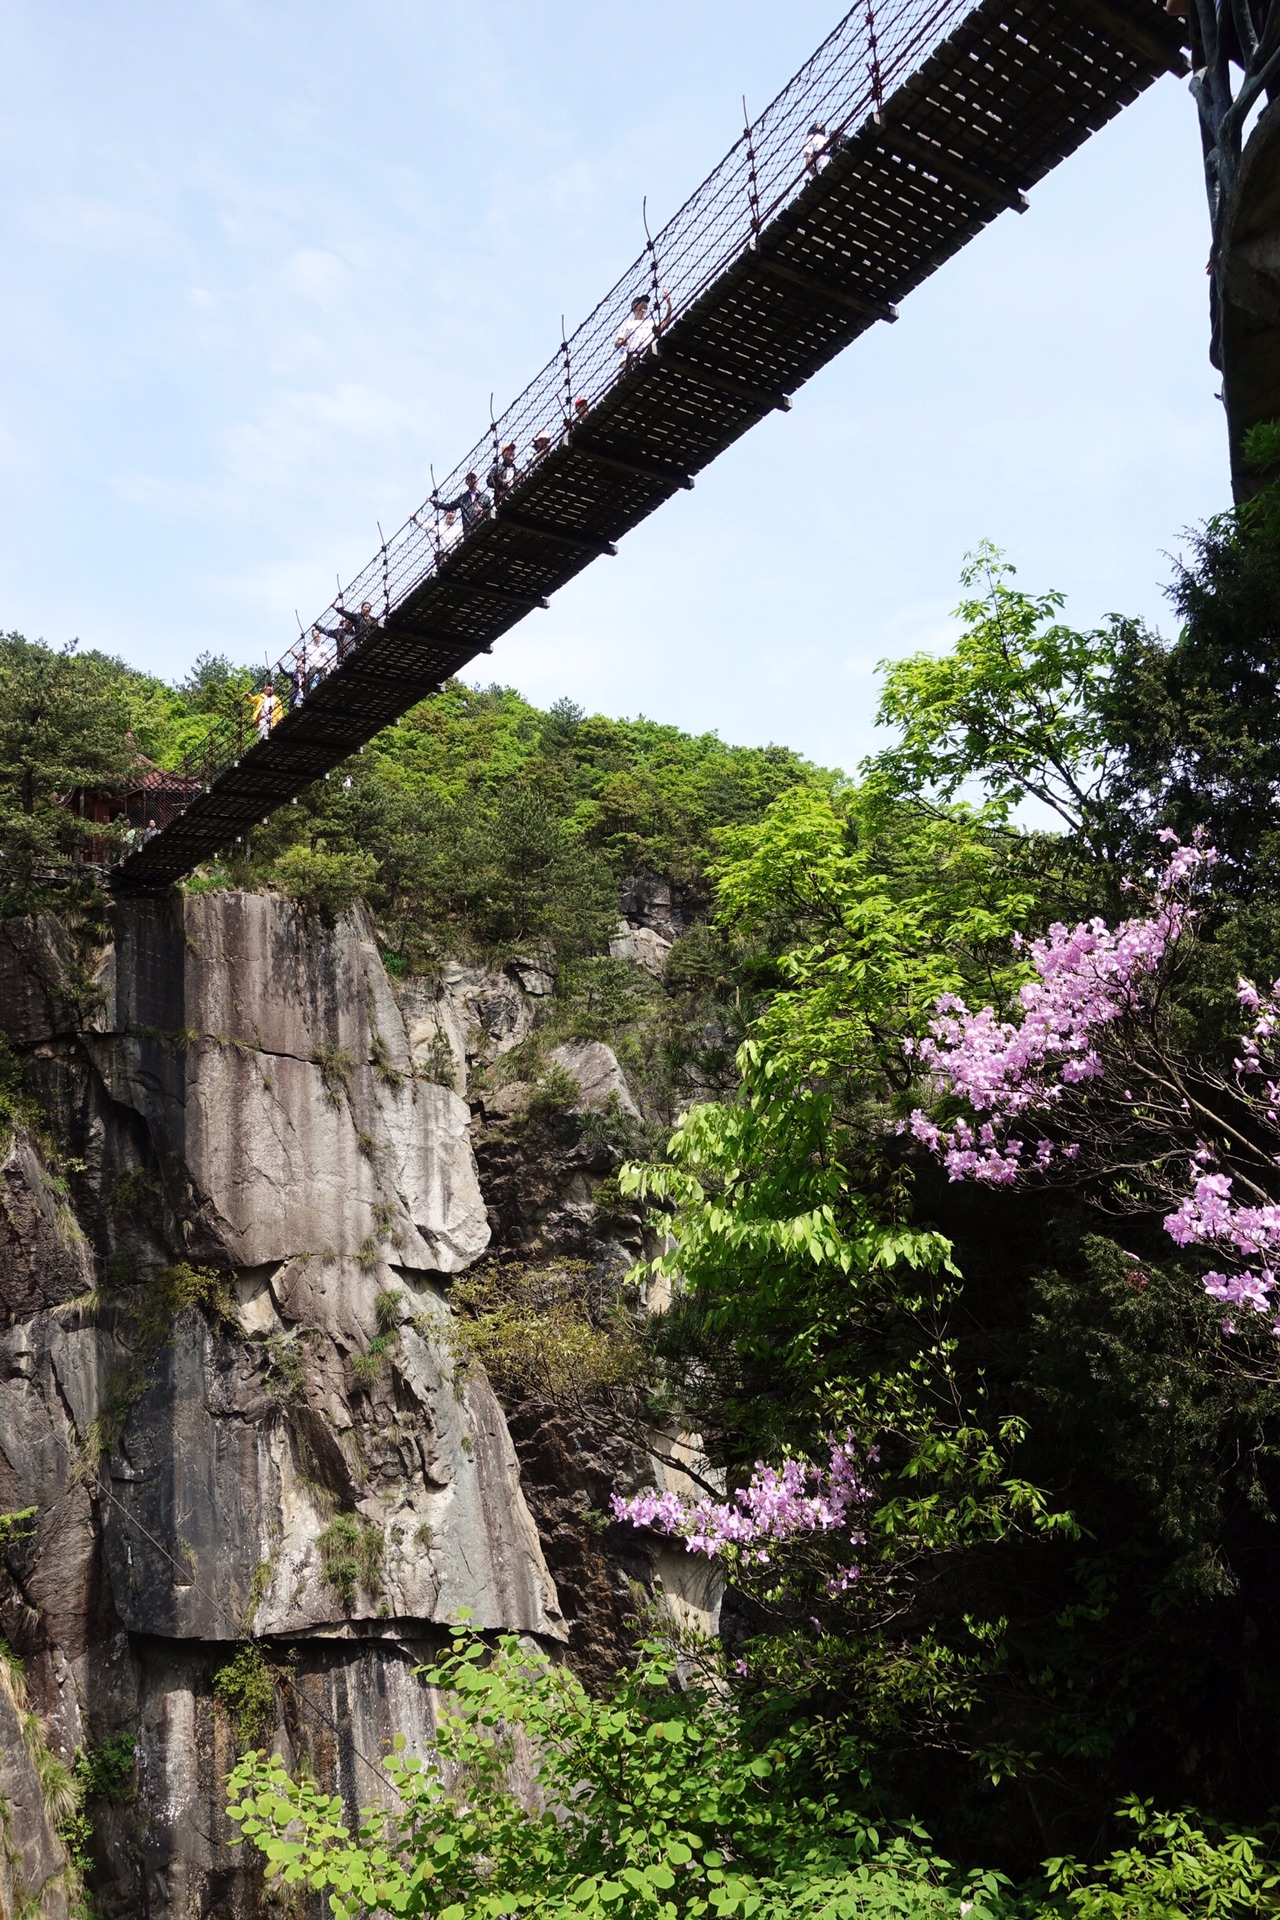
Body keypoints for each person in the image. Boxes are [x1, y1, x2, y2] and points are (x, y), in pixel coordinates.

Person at [615, 289, 671, 369]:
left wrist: (669, 304)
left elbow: (666, 323)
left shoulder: (651, 323)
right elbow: (617, 343)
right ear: (634, 306)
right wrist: (623, 342)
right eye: (641, 302)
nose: (645, 304)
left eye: (646, 303)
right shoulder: (628, 323)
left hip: (649, 355)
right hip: (632, 358)